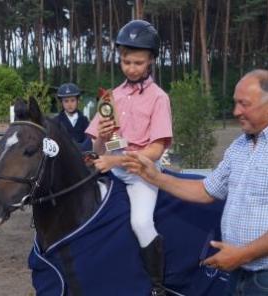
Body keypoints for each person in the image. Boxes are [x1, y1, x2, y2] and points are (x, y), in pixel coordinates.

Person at [123, 69, 268, 296]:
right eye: (235, 103)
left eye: (244, 104)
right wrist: (155, 177)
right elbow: (205, 190)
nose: (235, 111)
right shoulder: (239, 147)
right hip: (237, 274)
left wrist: (241, 255)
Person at [85, 20, 172, 296]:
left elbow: (155, 150)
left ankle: (157, 285)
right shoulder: (112, 96)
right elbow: (99, 148)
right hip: (111, 164)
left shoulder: (159, 98)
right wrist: (101, 135)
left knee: (140, 222)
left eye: (137, 62)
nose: (131, 68)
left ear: (151, 62)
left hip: (142, 174)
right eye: (126, 61)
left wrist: (116, 161)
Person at [55, 82, 92, 152]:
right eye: (66, 101)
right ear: (61, 103)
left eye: (72, 100)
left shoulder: (84, 120)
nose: (69, 104)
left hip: (82, 157)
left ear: (78, 101)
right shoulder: (56, 121)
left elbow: (88, 142)